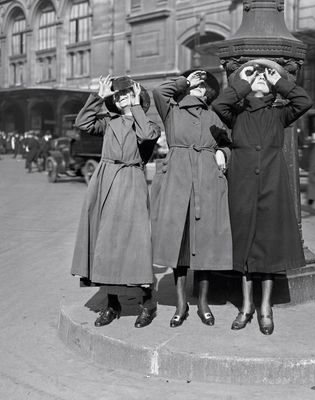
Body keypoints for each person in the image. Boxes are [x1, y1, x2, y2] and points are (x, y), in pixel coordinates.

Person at [213, 59, 312, 335]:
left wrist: (279, 81)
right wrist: (241, 84)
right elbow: (218, 105)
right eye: (253, 78)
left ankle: (265, 308)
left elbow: (304, 101)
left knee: (267, 248)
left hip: (271, 185)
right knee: (245, 248)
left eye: (263, 78)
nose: (258, 79)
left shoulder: (280, 113)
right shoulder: (237, 113)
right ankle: (246, 307)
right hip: (242, 186)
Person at [71, 75, 161, 328]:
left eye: (127, 94)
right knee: (105, 242)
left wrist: (134, 108)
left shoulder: (147, 124)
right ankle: (112, 305)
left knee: (135, 243)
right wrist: (97, 97)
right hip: (105, 181)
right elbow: (83, 122)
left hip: (131, 182)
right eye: (118, 95)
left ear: (137, 98)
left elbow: (147, 135)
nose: (121, 98)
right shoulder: (109, 122)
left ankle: (147, 303)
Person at [151, 70, 232, 328]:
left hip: (206, 183)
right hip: (178, 182)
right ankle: (180, 304)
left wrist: (222, 153)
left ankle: (203, 303)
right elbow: (158, 92)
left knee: (205, 245)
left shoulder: (214, 115)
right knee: (179, 247)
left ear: (209, 92)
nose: (198, 89)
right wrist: (184, 81)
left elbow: (231, 142)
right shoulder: (172, 111)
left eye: (202, 86)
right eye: (194, 85)